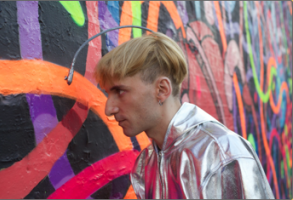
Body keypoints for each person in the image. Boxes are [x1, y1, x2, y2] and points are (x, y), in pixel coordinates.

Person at [93, 32, 274, 199]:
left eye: (120, 91)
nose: (109, 109)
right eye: (109, 93)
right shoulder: (144, 165)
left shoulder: (220, 151)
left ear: (161, 89)